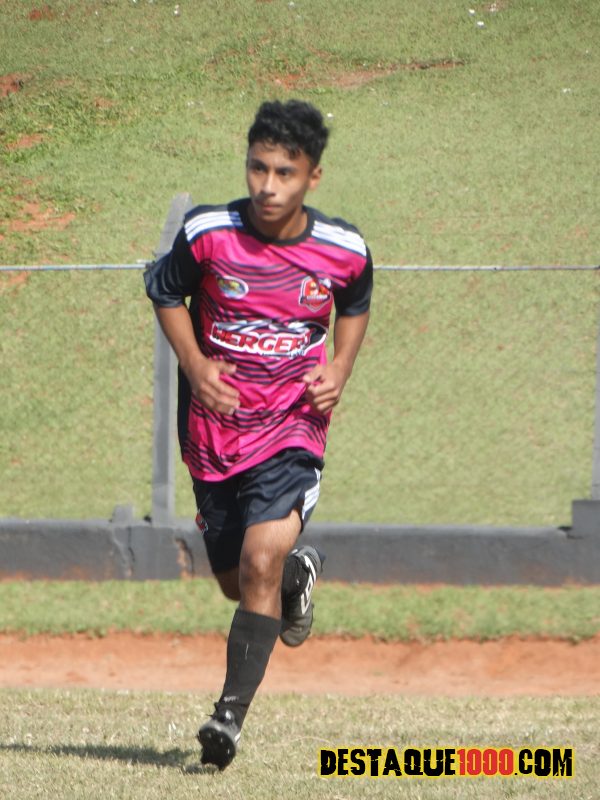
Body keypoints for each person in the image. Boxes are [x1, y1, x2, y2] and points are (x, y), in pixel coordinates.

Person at [144, 99, 373, 770]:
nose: (268, 186)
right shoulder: (207, 233)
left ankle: (227, 720)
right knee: (237, 581)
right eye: (258, 168)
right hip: (214, 433)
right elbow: (165, 292)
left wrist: (340, 367)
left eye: (285, 173)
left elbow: (355, 303)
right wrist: (195, 365)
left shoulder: (343, 249)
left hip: (292, 427)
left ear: (312, 177)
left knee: (259, 560)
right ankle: (299, 574)